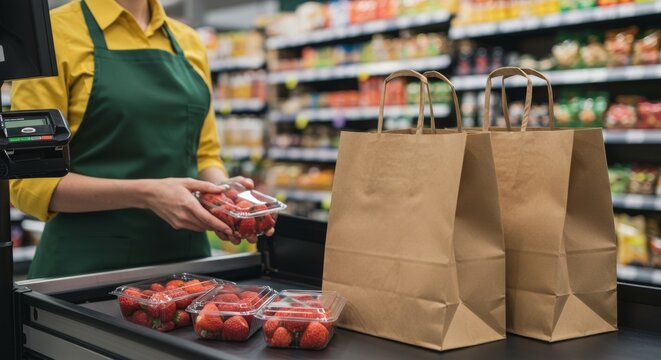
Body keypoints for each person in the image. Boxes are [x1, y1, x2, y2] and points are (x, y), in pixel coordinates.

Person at [10, 0, 263, 279]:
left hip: (188, 271)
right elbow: (30, 182)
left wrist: (225, 194)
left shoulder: (188, 40)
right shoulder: (53, 34)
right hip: (85, 272)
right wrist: (148, 194)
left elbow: (205, 155)